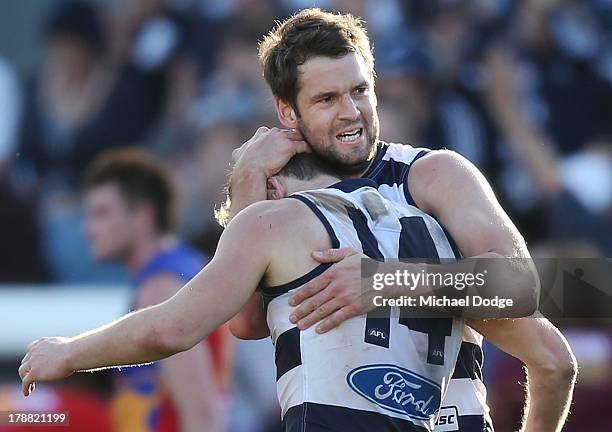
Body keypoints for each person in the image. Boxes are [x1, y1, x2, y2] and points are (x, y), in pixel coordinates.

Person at [221, 8, 577, 432]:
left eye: (360, 90)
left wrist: (383, 281)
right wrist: (246, 185)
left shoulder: (432, 175)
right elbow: (246, 322)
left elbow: (519, 287)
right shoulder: (280, 190)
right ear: (287, 112)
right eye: (326, 99)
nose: (351, 111)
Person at [22, 152, 503, 431]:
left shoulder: (438, 178)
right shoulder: (425, 220)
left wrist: (68, 352)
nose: (87, 230)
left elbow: (549, 290)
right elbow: (549, 347)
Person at [82, 148, 231, 432]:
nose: (88, 229)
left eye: (100, 213)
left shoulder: (162, 287)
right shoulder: (184, 269)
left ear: (142, 216)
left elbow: (201, 414)